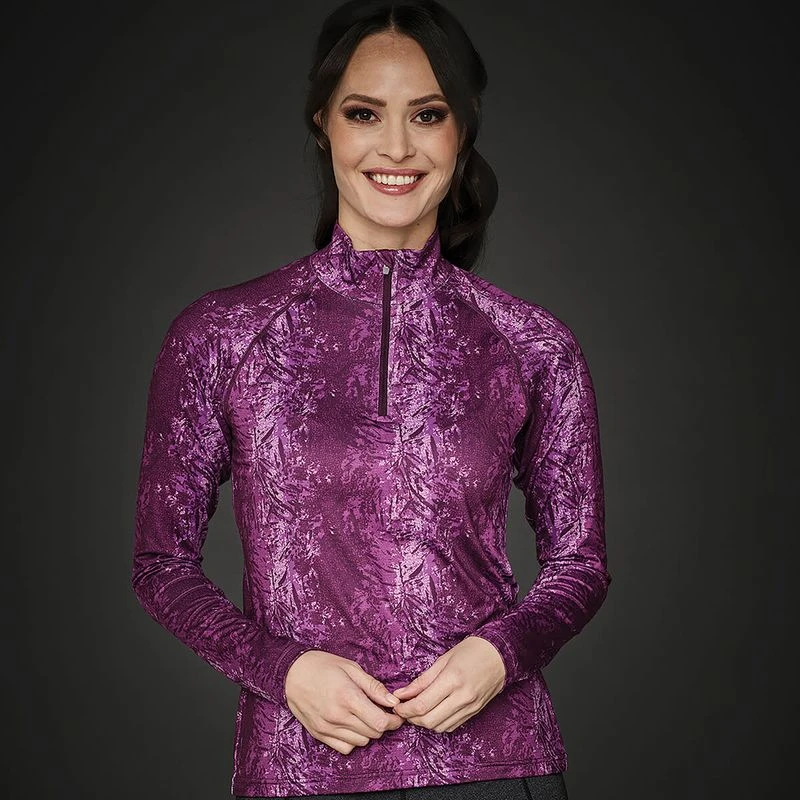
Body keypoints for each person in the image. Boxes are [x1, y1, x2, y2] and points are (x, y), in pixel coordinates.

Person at [131, 1, 612, 798]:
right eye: (364, 113)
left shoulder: (531, 343)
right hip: (298, 771)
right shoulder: (222, 334)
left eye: (427, 114)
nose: (396, 147)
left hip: (496, 766)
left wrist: (502, 655)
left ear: (464, 128)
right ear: (323, 123)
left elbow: (580, 565)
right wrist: (281, 670)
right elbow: (160, 564)